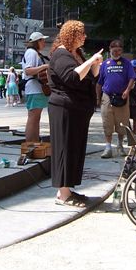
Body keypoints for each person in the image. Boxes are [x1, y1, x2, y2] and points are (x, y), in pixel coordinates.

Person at [48, 20, 103, 207]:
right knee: (65, 148)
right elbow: (71, 77)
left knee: (74, 150)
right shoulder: (61, 54)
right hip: (65, 109)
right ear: (72, 35)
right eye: (82, 34)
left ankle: (67, 190)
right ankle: (63, 195)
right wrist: (89, 61)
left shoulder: (76, 54)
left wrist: (95, 64)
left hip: (77, 110)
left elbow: (91, 76)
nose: (85, 37)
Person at [96, 40, 135, 158]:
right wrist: (97, 98)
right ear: (110, 49)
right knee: (107, 121)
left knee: (122, 122)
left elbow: (132, 78)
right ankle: (108, 147)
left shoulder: (126, 63)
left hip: (122, 97)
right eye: (115, 50)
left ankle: (120, 145)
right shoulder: (104, 64)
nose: (117, 52)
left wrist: (127, 90)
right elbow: (99, 83)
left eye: (119, 50)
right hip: (107, 96)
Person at [22, 31, 50, 142]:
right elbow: (28, 70)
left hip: (36, 89)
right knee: (33, 118)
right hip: (34, 89)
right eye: (42, 40)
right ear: (37, 41)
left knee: (35, 118)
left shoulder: (34, 53)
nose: (44, 42)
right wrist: (44, 66)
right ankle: (31, 144)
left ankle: (34, 143)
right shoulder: (31, 53)